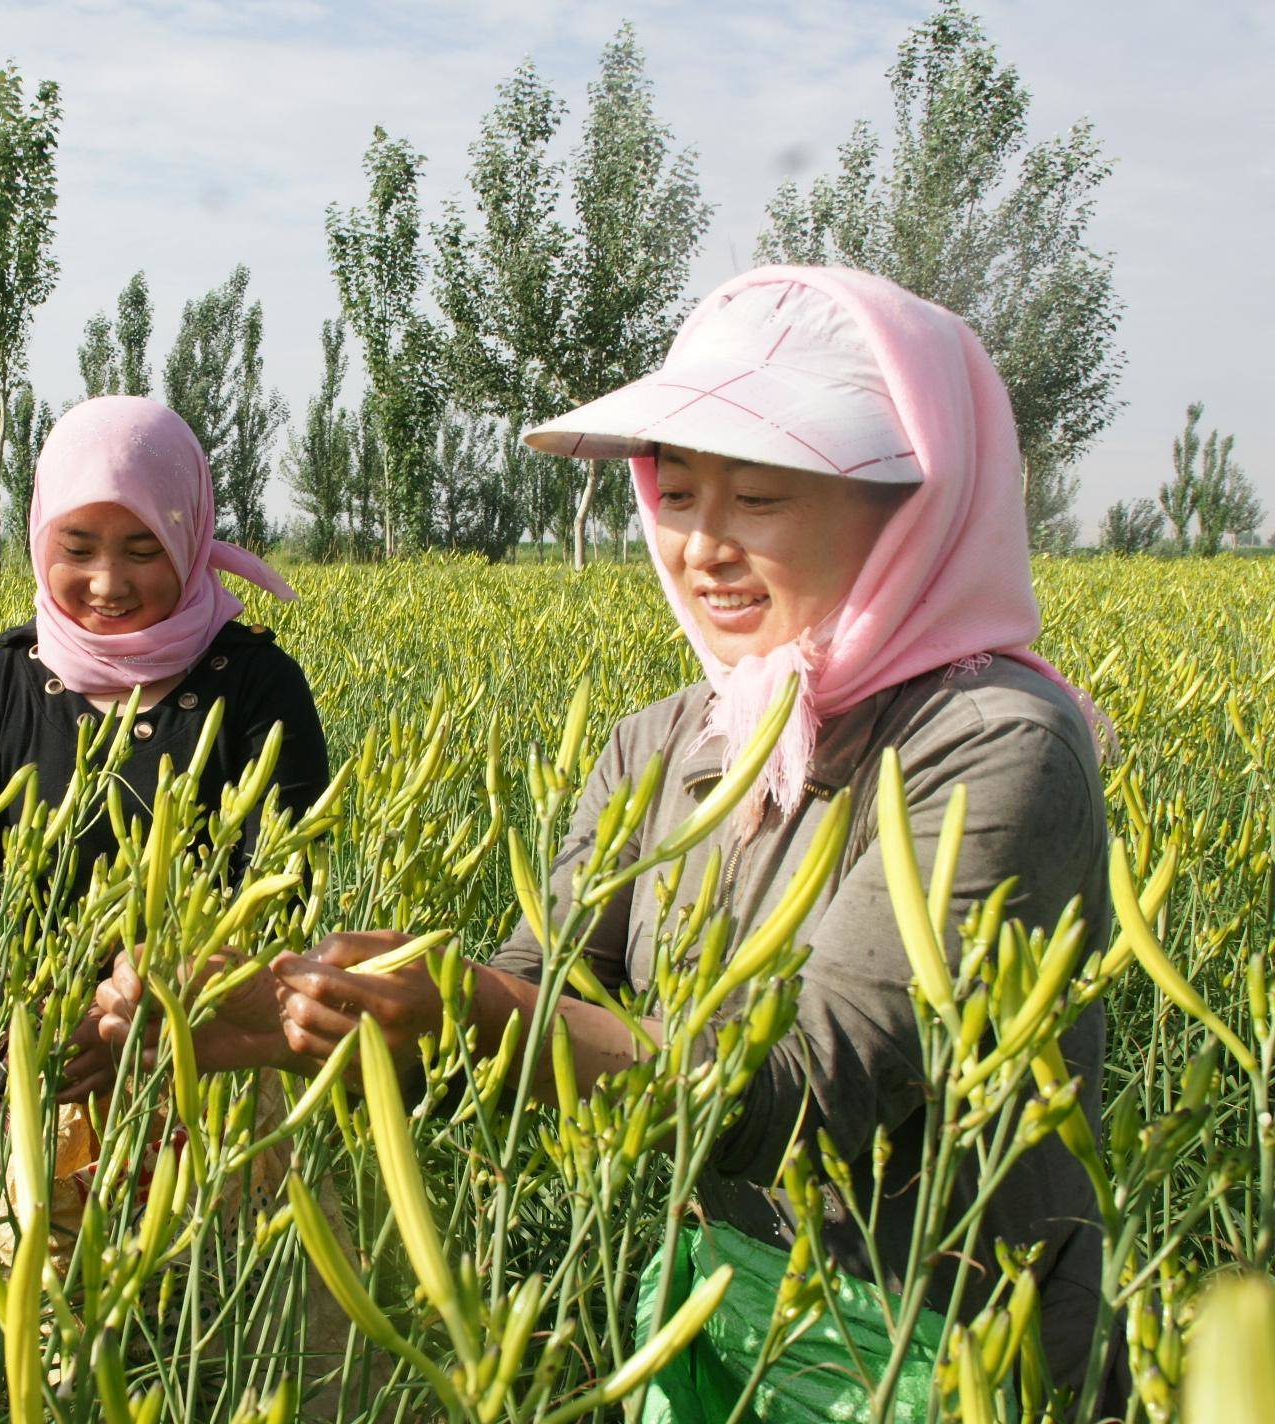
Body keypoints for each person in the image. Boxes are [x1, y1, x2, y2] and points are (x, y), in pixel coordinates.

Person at [84, 267, 1111, 1391]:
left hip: (947, 1333)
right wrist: (306, 1008)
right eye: (675, 494)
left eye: (758, 498)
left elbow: (811, 1089)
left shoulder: (999, 744)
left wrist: (470, 1014)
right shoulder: (666, 739)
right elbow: (544, 980)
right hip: (708, 1298)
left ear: (913, 506)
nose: (702, 547)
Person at [0, 394, 331, 1129]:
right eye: (77, 550)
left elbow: (281, 896)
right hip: (26, 1072)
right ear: (43, 542)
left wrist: (159, 1011)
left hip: (209, 1069)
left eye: (144, 551)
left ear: (192, 539)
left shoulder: (260, 685)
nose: (108, 584)